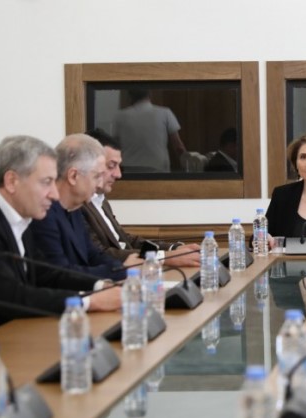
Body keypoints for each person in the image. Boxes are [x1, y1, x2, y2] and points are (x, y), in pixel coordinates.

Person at [0, 136, 121, 341]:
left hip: (10, 336)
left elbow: (47, 273)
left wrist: (101, 286)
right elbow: (11, 297)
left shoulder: (16, 217)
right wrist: (90, 302)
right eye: (46, 182)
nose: (54, 194)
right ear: (11, 181)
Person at [82, 128, 200, 266]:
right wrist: (164, 257)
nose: (118, 174)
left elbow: (126, 241)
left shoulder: (101, 200)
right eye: (111, 166)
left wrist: (172, 249)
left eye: (119, 166)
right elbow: (100, 254)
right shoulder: (77, 205)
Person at [31, 134, 128, 281]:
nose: (99, 184)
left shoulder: (74, 209)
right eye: (96, 176)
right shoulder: (43, 214)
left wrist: (122, 269)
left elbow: (94, 255)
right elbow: (59, 274)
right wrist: (119, 272)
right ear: (73, 176)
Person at [112, 89, 187, 173]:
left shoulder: (120, 116)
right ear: (150, 94)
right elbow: (178, 145)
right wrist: (187, 165)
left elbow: (115, 145)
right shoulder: (165, 113)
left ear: (130, 96)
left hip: (130, 169)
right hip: (158, 168)